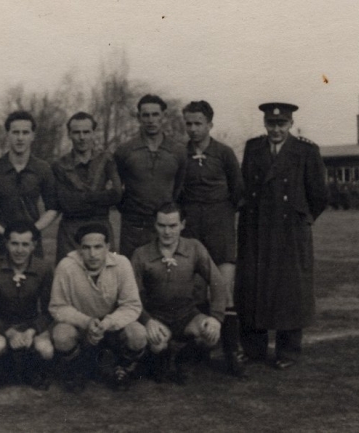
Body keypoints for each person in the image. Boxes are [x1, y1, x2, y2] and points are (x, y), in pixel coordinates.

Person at [236, 102, 328, 369]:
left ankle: (288, 352)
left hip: (290, 232)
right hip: (256, 229)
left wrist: (303, 217)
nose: (276, 129)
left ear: (290, 124)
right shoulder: (253, 148)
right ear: (265, 124)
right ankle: (254, 349)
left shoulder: (306, 151)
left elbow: (319, 195)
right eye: (271, 124)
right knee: (253, 285)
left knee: (290, 289)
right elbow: (246, 186)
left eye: (281, 124)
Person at [178, 100, 246, 377]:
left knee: (223, 290)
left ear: (210, 124)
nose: (193, 129)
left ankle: (232, 352)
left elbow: (239, 192)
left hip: (220, 231)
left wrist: (220, 215)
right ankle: (200, 348)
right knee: (194, 291)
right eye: (189, 124)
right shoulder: (180, 154)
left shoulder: (224, 153)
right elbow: (177, 194)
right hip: (192, 233)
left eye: (198, 123)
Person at [131, 202, 227, 383]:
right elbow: (130, 295)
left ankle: (185, 358)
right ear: (154, 225)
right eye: (162, 225)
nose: (167, 232)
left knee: (210, 335)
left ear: (182, 224)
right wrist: (147, 320)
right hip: (157, 315)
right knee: (157, 344)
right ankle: (162, 358)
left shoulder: (194, 248)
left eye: (173, 226)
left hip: (187, 315)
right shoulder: (141, 254)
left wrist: (216, 317)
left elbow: (218, 281)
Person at [49, 223, 147, 392]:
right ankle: (77, 369)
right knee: (62, 335)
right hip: (81, 327)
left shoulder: (122, 264)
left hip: (113, 327)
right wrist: (86, 322)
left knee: (138, 334)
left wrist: (108, 322)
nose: (92, 254)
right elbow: (58, 307)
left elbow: (131, 305)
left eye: (98, 247)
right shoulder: (66, 266)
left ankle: (122, 368)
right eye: (86, 248)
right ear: (79, 248)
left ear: (108, 247)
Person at [0, 111, 58, 260]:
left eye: (25, 132)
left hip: (30, 242)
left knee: (35, 274)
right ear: (8, 135)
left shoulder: (43, 169)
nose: (20, 138)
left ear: (33, 136)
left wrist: (33, 230)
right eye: (15, 132)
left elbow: (53, 207)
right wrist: (4, 232)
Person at [0, 221, 54, 391]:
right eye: (14, 243)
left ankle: (34, 371)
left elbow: (49, 309)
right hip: (0, 323)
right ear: (6, 243)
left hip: (30, 323)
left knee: (46, 349)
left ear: (34, 245)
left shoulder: (44, 268)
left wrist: (32, 330)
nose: (19, 250)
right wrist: (8, 331)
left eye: (25, 244)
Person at [114, 94, 187, 259]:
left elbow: (179, 186)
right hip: (134, 224)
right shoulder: (125, 150)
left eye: (155, 114)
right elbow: (117, 188)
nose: (151, 120)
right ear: (138, 117)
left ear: (164, 116)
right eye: (145, 115)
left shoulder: (178, 150)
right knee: (131, 268)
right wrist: (131, 208)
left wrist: (166, 208)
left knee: (164, 267)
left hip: (165, 224)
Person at [52, 111, 121, 264]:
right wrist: (100, 196)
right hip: (71, 229)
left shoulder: (106, 160)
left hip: (101, 226)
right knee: (69, 271)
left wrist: (80, 197)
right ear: (69, 134)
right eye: (76, 132)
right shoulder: (60, 165)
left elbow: (116, 194)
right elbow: (66, 203)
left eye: (86, 132)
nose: (82, 137)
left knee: (108, 271)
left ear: (93, 133)